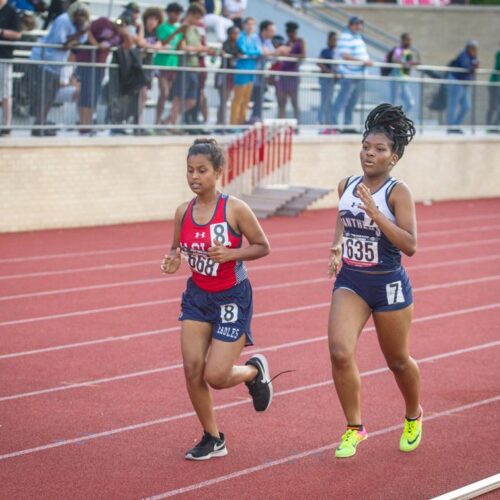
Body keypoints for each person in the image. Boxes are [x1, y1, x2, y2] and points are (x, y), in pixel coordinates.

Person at [160, 138, 273, 460]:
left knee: (216, 376)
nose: (194, 177)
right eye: (190, 171)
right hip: (197, 297)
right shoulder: (183, 212)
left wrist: (232, 253)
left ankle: (252, 372)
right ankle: (213, 437)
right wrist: (171, 261)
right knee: (192, 369)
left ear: (218, 172)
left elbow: (263, 246)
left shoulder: (235, 209)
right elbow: (175, 250)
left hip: (232, 298)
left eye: (202, 171)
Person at [327, 103, 422, 459]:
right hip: (352, 280)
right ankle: (355, 427)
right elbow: (342, 216)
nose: (370, 153)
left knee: (397, 361)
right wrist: (337, 243)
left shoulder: (398, 192)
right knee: (339, 352)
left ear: (393, 157)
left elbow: (410, 245)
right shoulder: (346, 185)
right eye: (366, 146)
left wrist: (376, 213)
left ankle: (413, 415)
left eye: (379, 149)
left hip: (388, 284)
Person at [29, 2, 90, 136]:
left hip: (57, 63)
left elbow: (77, 45)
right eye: (78, 15)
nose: (80, 18)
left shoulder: (82, 26)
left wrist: (79, 34)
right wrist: (78, 34)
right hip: (44, 60)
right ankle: (39, 124)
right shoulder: (63, 20)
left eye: (83, 16)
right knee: (45, 94)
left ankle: (42, 122)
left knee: (52, 95)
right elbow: (60, 44)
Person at [74, 16, 127, 135]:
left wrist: (126, 33)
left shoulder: (120, 36)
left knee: (93, 95)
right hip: (87, 61)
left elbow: (128, 45)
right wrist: (96, 44)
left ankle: (88, 125)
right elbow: (87, 29)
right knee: (86, 94)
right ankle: (83, 125)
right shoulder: (104, 22)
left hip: (100, 65)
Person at [331, 16, 372, 131]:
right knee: (342, 100)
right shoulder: (345, 36)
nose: (358, 26)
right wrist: (362, 61)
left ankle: (347, 125)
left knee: (352, 102)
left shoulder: (358, 37)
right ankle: (333, 125)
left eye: (360, 24)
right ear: (350, 25)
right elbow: (344, 55)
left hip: (358, 74)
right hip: (348, 74)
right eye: (356, 24)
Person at [154, 2, 184, 125]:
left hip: (173, 64)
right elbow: (163, 42)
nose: (177, 16)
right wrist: (176, 33)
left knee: (169, 95)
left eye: (179, 14)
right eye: (175, 13)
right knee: (164, 93)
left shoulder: (179, 28)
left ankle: (165, 121)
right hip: (162, 63)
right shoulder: (162, 27)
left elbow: (178, 47)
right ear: (169, 13)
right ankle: (157, 121)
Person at [230, 16, 261, 125]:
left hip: (251, 71)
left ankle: (242, 121)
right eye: (248, 24)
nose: (251, 27)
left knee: (246, 99)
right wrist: (252, 53)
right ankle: (233, 123)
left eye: (253, 24)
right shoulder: (241, 37)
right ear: (244, 25)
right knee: (238, 98)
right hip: (242, 71)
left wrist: (251, 53)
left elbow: (258, 51)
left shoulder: (255, 38)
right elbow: (244, 50)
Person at [276, 21, 305, 123]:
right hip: (284, 75)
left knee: (294, 102)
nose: (290, 34)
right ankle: (280, 124)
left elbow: (303, 55)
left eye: (292, 32)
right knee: (281, 102)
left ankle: (297, 125)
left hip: (293, 75)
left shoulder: (300, 41)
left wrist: (289, 56)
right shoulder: (287, 43)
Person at [447, 40, 479, 133]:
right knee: (453, 105)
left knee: (466, 106)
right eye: (473, 47)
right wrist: (473, 67)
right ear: (468, 47)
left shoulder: (473, 56)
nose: (474, 50)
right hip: (456, 81)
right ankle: (451, 127)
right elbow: (466, 67)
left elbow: (474, 67)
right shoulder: (463, 55)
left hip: (464, 84)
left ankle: (456, 125)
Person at [0, 0, 21, 135]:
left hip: (4, 57)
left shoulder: (12, 11)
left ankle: (7, 125)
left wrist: (1, 32)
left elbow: (18, 34)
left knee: (6, 92)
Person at [215, 25, 240, 125]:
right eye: (234, 33)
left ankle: (223, 121)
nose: (236, 36)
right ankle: (220, 121)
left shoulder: (237, 44)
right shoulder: (226, 44)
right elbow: (229, 52)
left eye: (237, 33)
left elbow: (240, 51)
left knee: (226, 99)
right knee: (223, 100)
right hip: (224, 74)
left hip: (231, 75)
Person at [389, 33, 419, 115]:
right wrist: (408, 64)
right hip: (397, 79)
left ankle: (399, 119)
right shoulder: (399, 50)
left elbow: (407, 62)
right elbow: (395, 60)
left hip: (404, 81)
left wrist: (412, 64)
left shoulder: (408, 51)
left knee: (410, 104)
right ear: (403, 40)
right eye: (408, 39)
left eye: (410, 40)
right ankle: (390, 123)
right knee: (393, 104)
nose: (410, 42)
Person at [317, 31, 337, 129]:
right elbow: (319, 62)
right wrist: (329, 72)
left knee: (329, 102)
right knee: (325, 101)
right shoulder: (325, 51)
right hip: (325, 79)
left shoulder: (337, 52)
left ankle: (328, 122)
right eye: (332, 39)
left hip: (332, 81)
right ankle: (321, 122)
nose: (334, 42)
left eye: (335, 40)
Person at [486, 42, 499, 130]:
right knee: (493, 106)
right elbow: (498, 66)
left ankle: (495, 126)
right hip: (494, 83)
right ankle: (489, 127)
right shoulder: (499, 54)